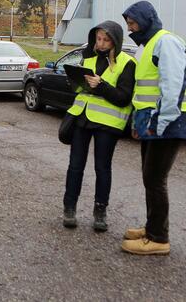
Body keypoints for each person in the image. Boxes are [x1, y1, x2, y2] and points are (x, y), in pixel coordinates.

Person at [121, 1, 186, 256]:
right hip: (152, 123)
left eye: (133, 23)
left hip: (166, 122)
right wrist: (138, 125)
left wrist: (161, 125)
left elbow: (172, 86)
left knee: (155, 180)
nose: (131, 28)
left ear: (145, 20)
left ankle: (158, 238)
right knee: (149, 178)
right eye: (128, 24)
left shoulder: (166, 42)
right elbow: (144, 91)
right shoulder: (149, 45)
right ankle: (151, 227)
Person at [63, 21, 136, 232]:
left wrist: (101, 85)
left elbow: (123, 98)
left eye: (105, 40)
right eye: (98, 39)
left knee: (102, 168)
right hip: (82, 118)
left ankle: (100, 212)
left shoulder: (127, 63)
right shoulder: (88, 57)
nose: (101, 44)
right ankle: (69, 208)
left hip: (107, 123)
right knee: (75, 166)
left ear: (116, 41)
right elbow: (79, 89)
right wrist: (75, 82)